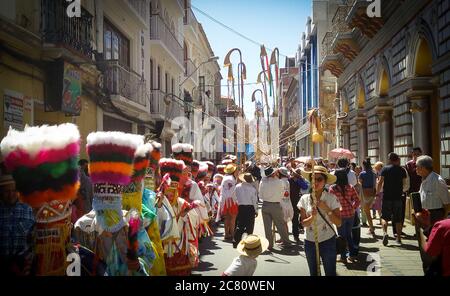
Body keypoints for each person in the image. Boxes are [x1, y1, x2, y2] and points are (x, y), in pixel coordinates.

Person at [298, 166, 341, 276]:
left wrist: (327, 209)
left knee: (330, 272)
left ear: (325, 181)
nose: (315, 182)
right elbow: (303, 224)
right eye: (313, 178)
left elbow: (339, 223)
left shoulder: (331, 198)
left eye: (319, 179)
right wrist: (312, 216)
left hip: (328, 240)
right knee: (314, 273)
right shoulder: (304, 199)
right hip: (310, 241)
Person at [0, 173, 35, 276]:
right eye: (7, 191)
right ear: (1, 192)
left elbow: (33, 238)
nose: (11, 195)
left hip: (23, 266)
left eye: (14, 190)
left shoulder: (28, 209)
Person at [376, 152, 407, 246]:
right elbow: (405, 183)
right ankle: (398, 238)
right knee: (398, 219)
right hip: (398, 197)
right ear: (397, 159)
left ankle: (385, 233)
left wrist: (377, 193)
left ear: (389, 159)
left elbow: (380, 182)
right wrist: (401, 190)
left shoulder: (385, 169)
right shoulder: (402, 170)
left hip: (387, 197)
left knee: (384, 217)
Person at [329, 169, 360, 263]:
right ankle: (352, 255)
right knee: (348, 235)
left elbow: (330, 203)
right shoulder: (350, 187)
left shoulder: (332, 189)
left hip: (339, 215)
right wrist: (353, 208)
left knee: (342, 236)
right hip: (350, 214)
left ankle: (343, 257)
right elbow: (357, 200)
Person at [259, 166, 293, 250]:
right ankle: (286, 242)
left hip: (265, 204)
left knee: (267, 227)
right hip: (275, 205)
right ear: (273, 173)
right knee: (280, 224)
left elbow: (260, 195)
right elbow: (282, 195)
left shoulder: (263, 182)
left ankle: (269, 245)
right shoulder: (279, 182)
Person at [415, 155, 450, 234]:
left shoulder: (438, 181)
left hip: (435, 216)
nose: (415, 169)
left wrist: (443, 219)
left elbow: (447, 203)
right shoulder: (424, 179)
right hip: (424, 215)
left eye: (417, 166)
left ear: (423, 167)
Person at [233, 173, 259, 248]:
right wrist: (256, 210)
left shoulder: (237, 186)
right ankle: (249, 243)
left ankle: (236, 242)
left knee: (240, 225)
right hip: (250, 208)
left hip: (241, 207)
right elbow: (254, 201)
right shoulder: (252, 189)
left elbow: (234, 197)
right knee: (249, 226)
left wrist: (239, 203)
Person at [219, 164, 239, 240]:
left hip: (224, 200)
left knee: (227, 218)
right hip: (231, 201)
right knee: (232, 219)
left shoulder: (225, 178)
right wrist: (236, 201)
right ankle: (232, 234)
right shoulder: (231, 179)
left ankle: (227, 234)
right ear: (233, 171)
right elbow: (233, 191)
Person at [289, 168, 309, 242]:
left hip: (296, 201)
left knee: (295, 219)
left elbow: (305, 187)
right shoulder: (289, 180)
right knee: (292, 219)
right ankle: (294, 236)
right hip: (289, 201)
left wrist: (299, 179)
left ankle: (296, 235)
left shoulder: (298, 180)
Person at [359, 158, 377, 236]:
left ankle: (372, 228)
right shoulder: (374, 173)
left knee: (367, 212)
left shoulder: (362, 174)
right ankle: (371, 227)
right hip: (372, 193)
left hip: (364, 193)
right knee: (368, 211)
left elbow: (360, 183)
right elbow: (375, 183)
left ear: (364, 165)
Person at [278, 167, 294, 242]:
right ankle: (284, 237)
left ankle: (285, 238)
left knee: (282, 223)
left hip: (282, 203)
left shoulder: (280, 181)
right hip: (287, 202)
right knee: (284, 223)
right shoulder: (287, 181)